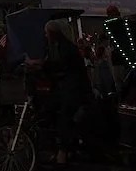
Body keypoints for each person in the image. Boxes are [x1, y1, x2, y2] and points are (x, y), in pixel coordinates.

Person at [27, 20, 92, 165]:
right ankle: (57, 148)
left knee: (64, 115)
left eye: (47, 33)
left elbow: (59, 65)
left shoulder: (67, 48)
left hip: (76, 89)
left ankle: (63, 152)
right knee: (49, 111)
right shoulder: (55, 47)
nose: (45, 35)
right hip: (67, 87)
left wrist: (39, 64)